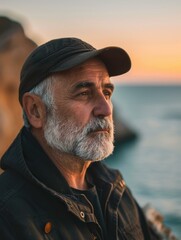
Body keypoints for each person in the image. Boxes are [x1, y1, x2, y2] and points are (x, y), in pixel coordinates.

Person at [0, 37, 160, 240]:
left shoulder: (116, 189)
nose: (106, 109)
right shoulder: (7, 215)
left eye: (107, 92)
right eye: (84, 93)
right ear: (36, 111)